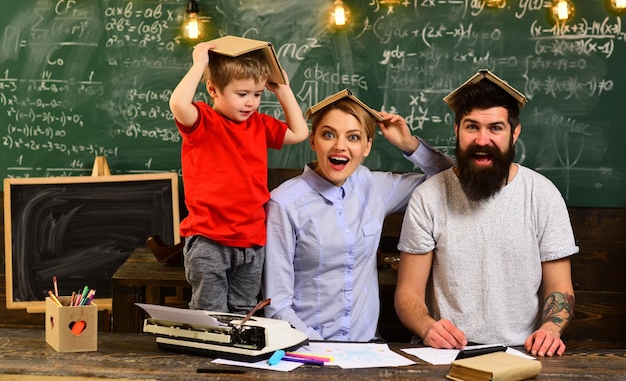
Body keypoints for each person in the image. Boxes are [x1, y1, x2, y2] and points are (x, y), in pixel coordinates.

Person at [394, 69, 578, 357]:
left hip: (521, 353)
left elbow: (559, 286)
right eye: (472, 127)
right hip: (446, 353)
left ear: (514, 132)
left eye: (495, 128)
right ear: (456, 129)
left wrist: (551, 329)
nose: (482, 140)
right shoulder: (428, 197)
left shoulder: (543, 195)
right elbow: (408, 294)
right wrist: (427, 327)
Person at [262, 90, 453, 342]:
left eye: (353, 137)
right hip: (308, 349)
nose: (340, 146)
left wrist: (410, 145)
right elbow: (277, 306)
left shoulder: (374, 186)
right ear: (313, 141)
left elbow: (448, 178)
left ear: (367, 146)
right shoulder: (284, 203)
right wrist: (317, 349)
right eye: (328, 134)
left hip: (366, 347)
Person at [169, 39, 309, 314]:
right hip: (210, 239)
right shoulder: (203, 121)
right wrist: (200, 64)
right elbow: (177, 103)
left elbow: (300, 133)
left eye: (257, 94)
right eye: (242, 94)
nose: (251, 103)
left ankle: (233, 357)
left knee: (244, 312)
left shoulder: (259, 124)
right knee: (210, 313)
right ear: (213, 90)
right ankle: (208, 358)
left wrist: (282, 89)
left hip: (252, 241)